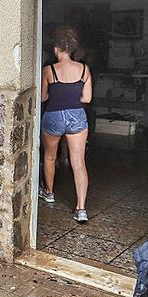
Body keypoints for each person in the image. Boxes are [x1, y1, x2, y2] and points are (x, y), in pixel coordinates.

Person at [39, 25, 93, 223]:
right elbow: (87, 98)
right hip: (77, 115)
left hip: (53, 115)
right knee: (78, 162)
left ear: (57, 48)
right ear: (71, 48)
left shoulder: (49, 70)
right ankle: (81, 209)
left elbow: (43, 97)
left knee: (50, 157)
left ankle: (49, 192)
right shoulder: (84, 69)